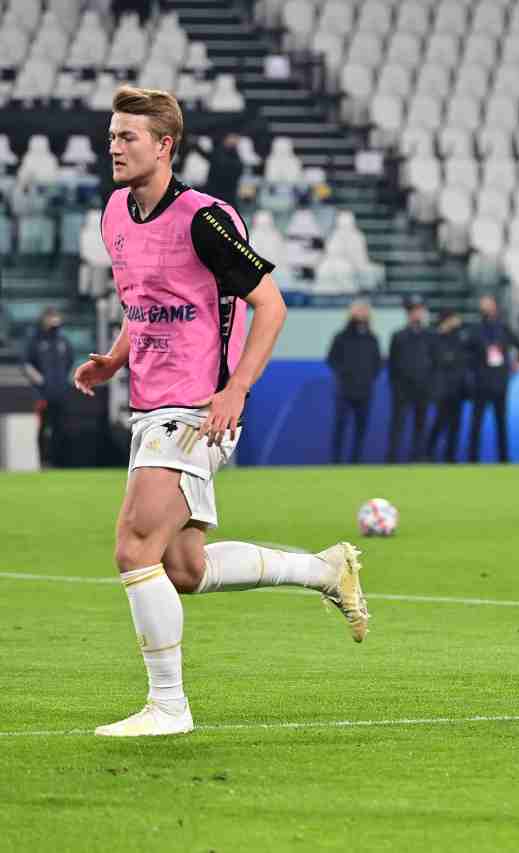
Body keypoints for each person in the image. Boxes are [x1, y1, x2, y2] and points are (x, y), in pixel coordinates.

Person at [72, 86, 368, 738]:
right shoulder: (116, 213)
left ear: (165, 145)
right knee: (182, 568)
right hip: (150, 401)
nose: (115, 146)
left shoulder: (205, 219)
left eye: (129, 137)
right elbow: (142, 300)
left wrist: (236, 389)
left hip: (199, 406)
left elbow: (272, 304)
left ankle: (169, 705)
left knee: (133, 546)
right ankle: (325, 569)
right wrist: (115, 360)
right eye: (113, 135)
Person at [467, 295, 519, 463]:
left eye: (488, 304)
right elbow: (466, 353)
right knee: (476, 423)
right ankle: (472, 460)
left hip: (500, 381)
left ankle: (504, 459)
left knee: (501, 422)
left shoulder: (503, 328)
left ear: (495, 307)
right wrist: (475, 367)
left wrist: (518, 362)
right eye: (483, 305)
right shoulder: (475, 330)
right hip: (481, 382)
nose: (485, 308)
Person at [326, 300, 382, 464]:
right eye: (358, 310)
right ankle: (335, 461)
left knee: (361, 428)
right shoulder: (341, 337)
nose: (362, 313)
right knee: (340, 426)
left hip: (365, 390)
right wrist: (344, 375)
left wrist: (368, 378)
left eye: (365, 310)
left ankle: (356, 461)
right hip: (345, 390)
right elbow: (332, 359)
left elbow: (377, 363)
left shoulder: (372, 338)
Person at [23, 307, 74, 467]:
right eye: (51, 317)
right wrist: (40, 381)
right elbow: (26, 365)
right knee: (43, 429)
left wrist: (66, 382)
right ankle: (43, 462)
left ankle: (59, 461)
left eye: (56, 317)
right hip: (43, 394)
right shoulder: (36, 341)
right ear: (44, 319)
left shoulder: (63, 342)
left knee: (61, 428)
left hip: (61, 392)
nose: (54, 321)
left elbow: (70, 363)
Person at [386, 295, 434, 463]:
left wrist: (430, 386)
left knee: (420, 426)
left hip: (423, 387)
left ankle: (418, 458)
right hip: (402, 388)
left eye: (420, 310)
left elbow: (434, 362)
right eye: (413, 311)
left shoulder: (430, 335)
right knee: (397, 425)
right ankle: (391, 460)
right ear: (408, 313)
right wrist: (395, 386)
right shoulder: (398, 336)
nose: (417, 314)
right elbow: (392, 364)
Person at [424, 310, 467, 463]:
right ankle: (428, 452)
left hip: (457, 388)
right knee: (440, 422)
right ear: (447, 320)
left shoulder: (460, 337)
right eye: (454, 318)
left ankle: (450, 456)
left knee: (455, 425)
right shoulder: (436, 338)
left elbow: (462, 359)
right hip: (443, 388)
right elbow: (440, 359)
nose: (458, 321)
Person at [204, 133, 243, 206]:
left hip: (227, 193)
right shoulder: (218, 153)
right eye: (232, 138)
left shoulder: (235, 155)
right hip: (215, 191)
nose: (234, 141)